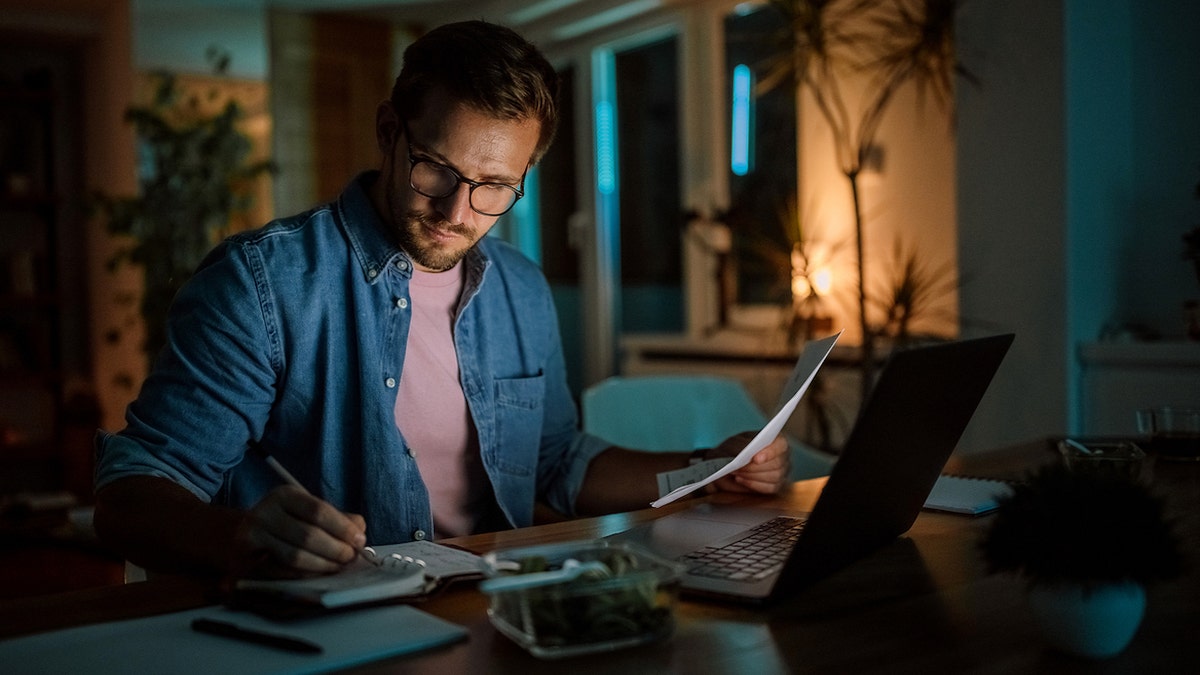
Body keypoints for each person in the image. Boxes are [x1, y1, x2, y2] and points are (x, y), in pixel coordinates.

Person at [92, 20, 789, 579]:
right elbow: (131, 494)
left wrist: (709, 467)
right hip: (330, 625)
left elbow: (557, 463)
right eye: (438, 170)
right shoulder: (261, 283)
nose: (459, 211)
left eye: (494, 187)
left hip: (497, 603)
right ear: (390, 132)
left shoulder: (520, 288)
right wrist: (240, 535)